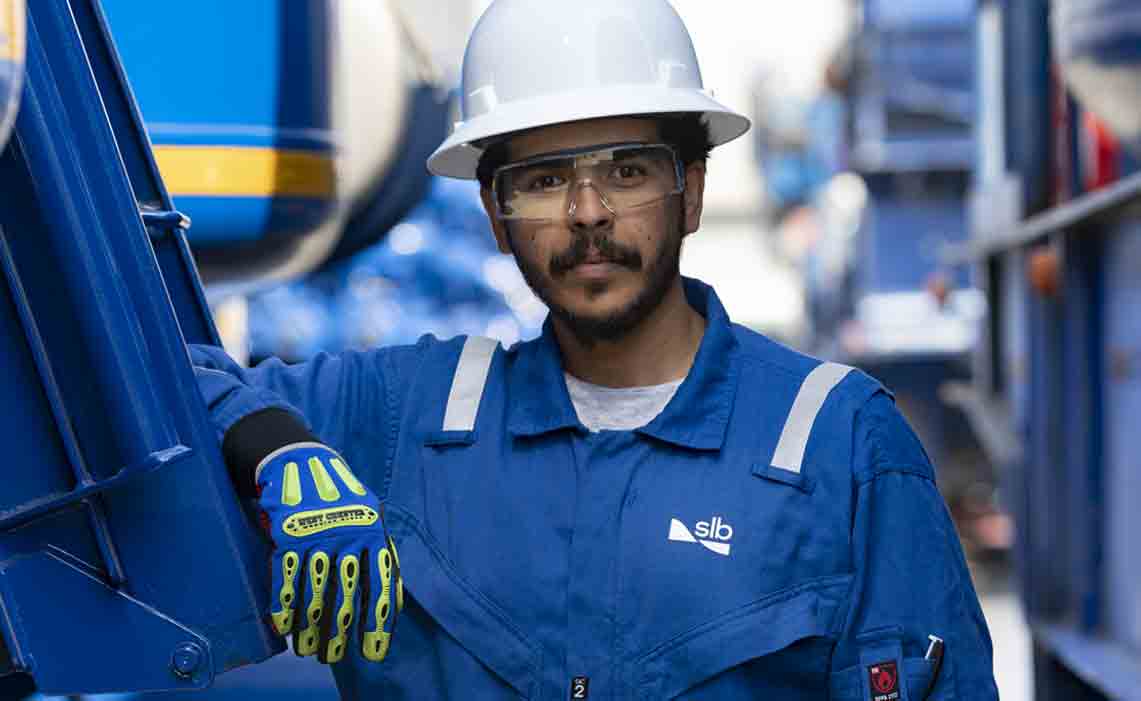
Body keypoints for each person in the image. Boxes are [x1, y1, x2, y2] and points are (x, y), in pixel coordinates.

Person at [192, 0, 999, 698]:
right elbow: (165, 381)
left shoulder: (837, 445)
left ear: (692, 190)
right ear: (495, 213)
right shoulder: (406, 419)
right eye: (543, 180)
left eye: (624, 171)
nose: (586, 212)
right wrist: (274, 445)